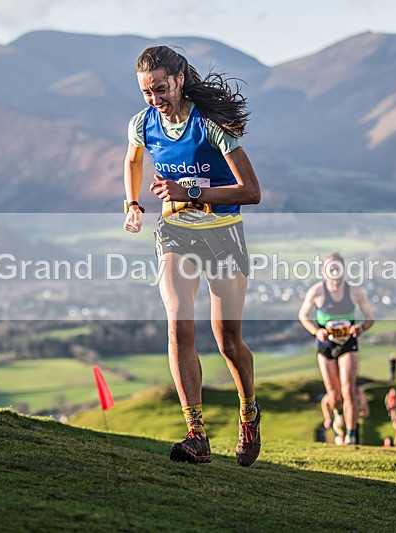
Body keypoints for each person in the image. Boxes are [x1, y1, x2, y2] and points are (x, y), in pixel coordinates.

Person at [123, 45, 261, 466]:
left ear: (180, 79)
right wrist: (132, 204)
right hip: (175, 232)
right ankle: (196, 434)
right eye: (147, 92)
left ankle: (249, 413)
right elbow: (132, 159)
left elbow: (251, 191)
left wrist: (190, 190)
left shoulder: (211, 124)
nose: (155, 99)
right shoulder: (143, 123)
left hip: (222, 235)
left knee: (227, 341)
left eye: (161, 89)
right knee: (178, 324)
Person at [299, 253, 375, 446]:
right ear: (324, 272)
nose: (335, 272)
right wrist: (316, 331)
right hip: (326, 346)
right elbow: (303, 315)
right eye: (331, 268)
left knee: (348, 389)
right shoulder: (317, 292)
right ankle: (338, 414)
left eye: (338, 268)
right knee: (334, 394)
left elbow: (370, 317)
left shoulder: (355, 292)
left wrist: (361, 328)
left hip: (348, 344)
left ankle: (351, 435)